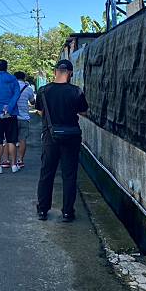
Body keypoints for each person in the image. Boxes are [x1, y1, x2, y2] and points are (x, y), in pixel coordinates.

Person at [35, 60, 88, 222]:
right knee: (69, 175)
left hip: (50, 137)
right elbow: (83, 111)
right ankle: (67, 212)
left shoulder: (43, 91)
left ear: (55, 72)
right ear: (70, 73)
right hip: (71, 137)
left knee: (47, 173)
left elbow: (39, 111)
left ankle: (43, 210)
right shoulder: (76, 91)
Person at [13, 71, 35, 169]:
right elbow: (32, 102)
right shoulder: (29, 89)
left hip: (12, 117)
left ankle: (9, 161)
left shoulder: (11, 87)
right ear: (24, 78)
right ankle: (20, 160)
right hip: (24, 118)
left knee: (11, 140)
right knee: (23, 140)